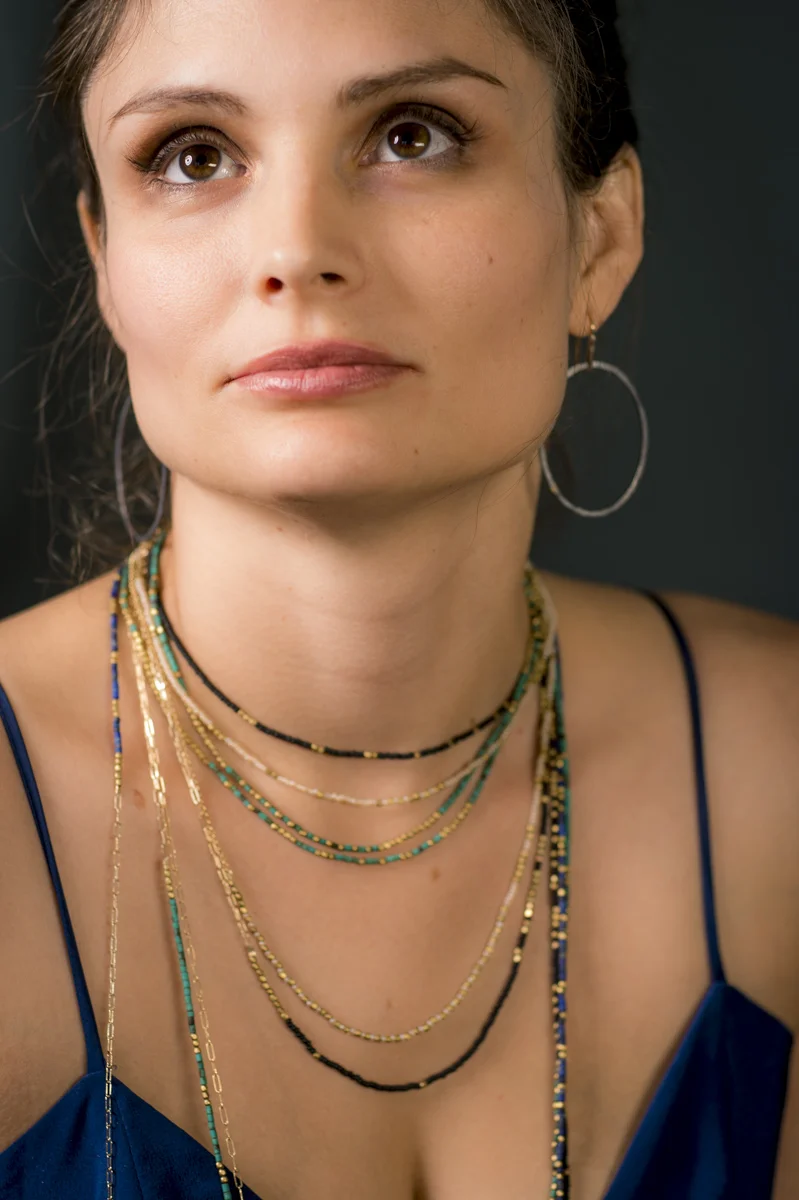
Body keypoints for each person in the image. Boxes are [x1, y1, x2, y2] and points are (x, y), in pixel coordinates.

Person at [0, 0, 796, 1196]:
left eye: (411, 134)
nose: (296, 249)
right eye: (194, 156)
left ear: (600, 236)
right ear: (106, 262)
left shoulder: (777, 776)